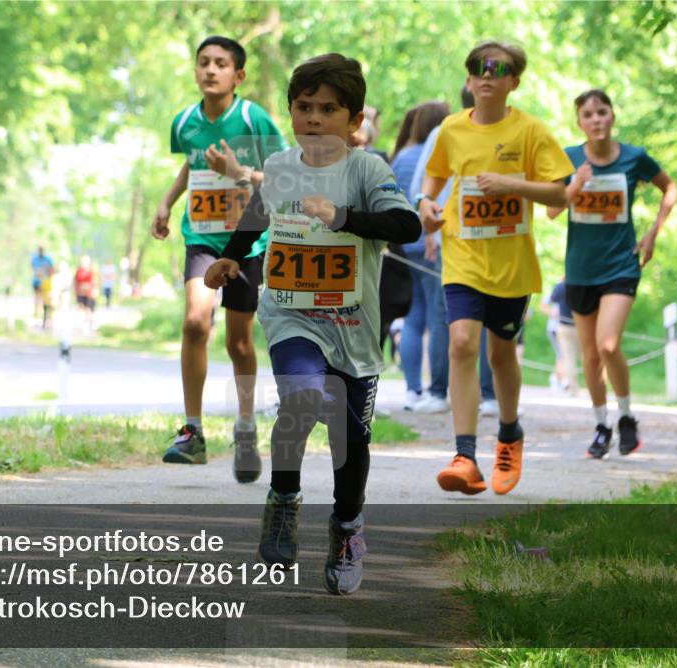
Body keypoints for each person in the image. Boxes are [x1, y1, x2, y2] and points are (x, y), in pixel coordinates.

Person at [205, 53, 420, 594]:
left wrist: (343, 217)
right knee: (300, 400)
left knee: (351, 438)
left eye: (329, 109)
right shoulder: (280, 166)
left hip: (352, 329)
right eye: (304, 107)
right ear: (292, 111)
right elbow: (259, 214)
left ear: (354, 120)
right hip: (291, 313)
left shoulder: (366, 169)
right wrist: (233, 255)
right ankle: (283, 500)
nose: (315, 118)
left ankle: (347, 527)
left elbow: (407, 224)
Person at [418, 40, 574, 495]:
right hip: (462, 257)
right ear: (469, 80)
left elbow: (560, 194)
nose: (486, 74)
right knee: (462, 342)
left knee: (501, 354)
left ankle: (509, 434)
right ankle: (465, 456)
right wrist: (427, 203)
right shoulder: (450, 129)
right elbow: (435, 179)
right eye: (477, 68)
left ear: (513, 81)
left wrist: (510, 184)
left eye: (497, 68)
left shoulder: (531, 131)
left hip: (510, 265)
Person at [151, 36, 287, 481]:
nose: (211, 70)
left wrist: (240, 174)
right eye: (204, 62)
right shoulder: (185, 121)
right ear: (195, 70)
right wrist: (168, 202)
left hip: (247, 241)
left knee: (239, 343)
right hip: (202, 237)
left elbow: (286, 177)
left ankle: (245, 428)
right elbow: (193, 163)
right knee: (194, 321)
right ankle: (192, 433)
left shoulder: (254, 119)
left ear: (238, 75)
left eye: (221, 63)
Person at [547, 88, 677, 458]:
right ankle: (602, 424)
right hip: (580, 270)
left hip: (621, 265)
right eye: (588, 115)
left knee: (608, 344)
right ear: (580, 123)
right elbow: (552, 211)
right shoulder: (570, 159)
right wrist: (575, 186)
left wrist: (653, 232)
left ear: (612, 116)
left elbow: (669, 188)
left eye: (602, 112)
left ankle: (626, 417)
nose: (596, 120)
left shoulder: (634, 158)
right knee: (590, 356)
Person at [404, 87, 498, 415]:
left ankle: (489, 395)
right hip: (451, 238)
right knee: (445, 315)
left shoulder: (509, 130)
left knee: (486, 316)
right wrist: (430, 227)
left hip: (493, 239)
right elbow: (424, 187)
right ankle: (439, 391)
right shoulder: (445, 131)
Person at [549, 277, 579, 394]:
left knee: (568, 358)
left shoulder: (561, 286)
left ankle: (573, 388)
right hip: (578, 325)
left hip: (564, 325)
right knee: (584, 356)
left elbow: (553, 298)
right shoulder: (581, 284)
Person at [74, 255, 98, 331]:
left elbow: (95, 281)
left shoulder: (91, 270)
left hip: (89, 292)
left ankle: (90, 321)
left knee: (90, 307)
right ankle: (87, 320)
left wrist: (94, 289)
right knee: (83, 307)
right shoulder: (79, 270)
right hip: (81, 292)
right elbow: (76, 281)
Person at [30, 246, 54, 320]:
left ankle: (48, 316)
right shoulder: (34, 259)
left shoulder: (48, 259)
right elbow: (33, 268)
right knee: (37, 298)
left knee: (46, 300)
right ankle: (37, 314)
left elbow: (51, 270)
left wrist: (46, 275)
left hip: (46, 283)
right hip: (36, 282)